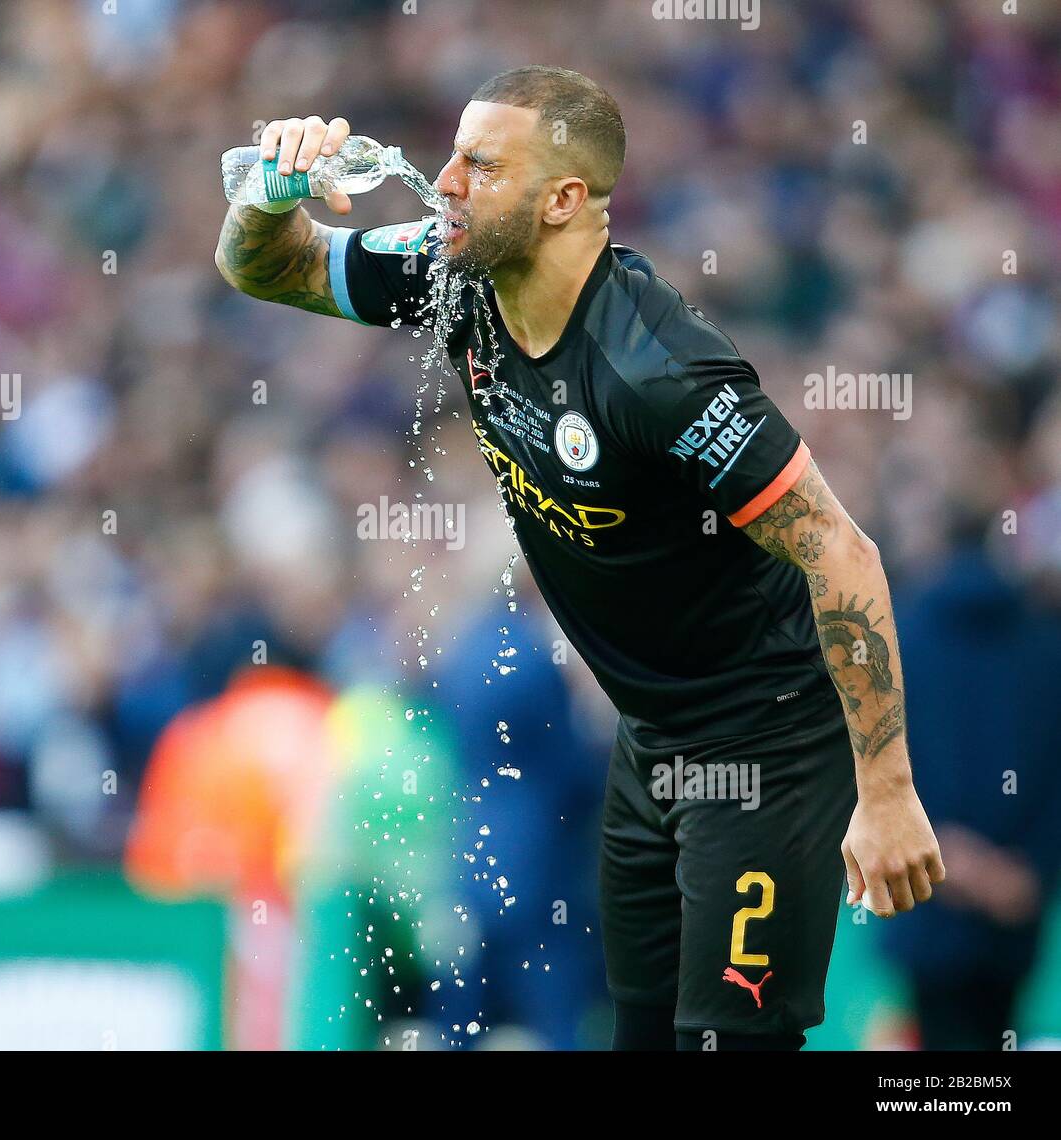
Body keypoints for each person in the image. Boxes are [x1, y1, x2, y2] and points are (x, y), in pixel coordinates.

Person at [214, 65, 944, 1051]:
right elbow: (267, 267)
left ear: (563, 200)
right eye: (451, 154)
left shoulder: (656, 371)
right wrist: (271, 190)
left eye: (479, 164)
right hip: (648, 743)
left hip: (761, 746)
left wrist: (887, 793)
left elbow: (841, 554)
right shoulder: (450, 270)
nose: (445, 182)